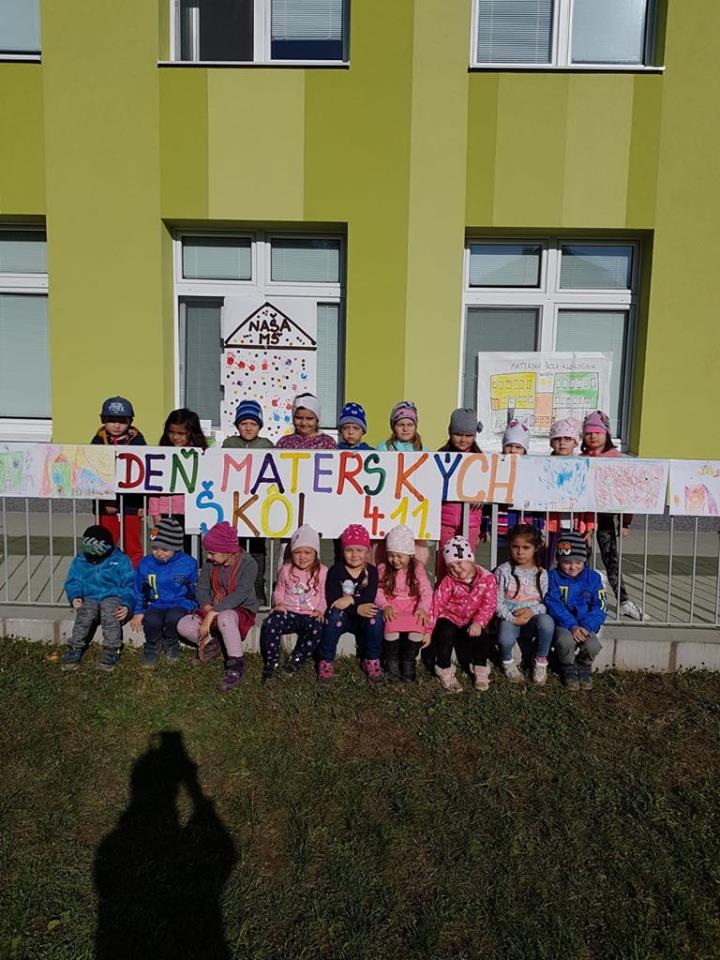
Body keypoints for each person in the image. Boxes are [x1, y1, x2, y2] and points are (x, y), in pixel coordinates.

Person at [579, 410, 645, 621]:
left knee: (611, 561)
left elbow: (625, 492)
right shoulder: (580, 459)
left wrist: (625, 521)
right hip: (583, 520)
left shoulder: (616, 459)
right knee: (582, 561)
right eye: (588, 432)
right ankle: (583, 600)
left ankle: (624, 601)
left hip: (606, 519)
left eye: (597, 432)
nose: (593, 436)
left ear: (606, 434)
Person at [178, 522, 258, 693]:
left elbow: (240, 594)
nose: (209, 556)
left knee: (225, 617)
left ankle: (236, 665)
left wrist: (213, 613)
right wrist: (207, 607)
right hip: (214, 608)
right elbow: (202, 588)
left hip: (240, 609)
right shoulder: (211, 563)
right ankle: (213, 645)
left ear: (228, 551)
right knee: (183, 625)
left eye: (213, 553)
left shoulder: (248, 564)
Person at [317, 524, 384, 687]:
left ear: (367, 552)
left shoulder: (372, 571)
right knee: (333, 614)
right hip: (343, 617)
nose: (354, 555)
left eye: (359, 550)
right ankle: (326, 661)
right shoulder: (336, 570)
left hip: (363, 616)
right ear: (342, 551)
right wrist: (356, 607)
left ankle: (372, 660)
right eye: (349, 550)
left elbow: (369, 597)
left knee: (376, 615)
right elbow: (333, 600)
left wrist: (350, 600)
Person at [427, 535, 497, 693]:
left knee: (482, 637)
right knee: (445, 634)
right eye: (451, 566)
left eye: (459, 563)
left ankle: (480, 668)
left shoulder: (487, 579)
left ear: (471, 560)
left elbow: (489, 604)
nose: (456, 569)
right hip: (450, 616)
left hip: (472, 619)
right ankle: (444, 669)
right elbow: (437, 603)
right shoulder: (449, 581)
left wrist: (478, 622)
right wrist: (428, 630)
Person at [61, 525, 135, 673]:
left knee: (111, 613)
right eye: (90, 558)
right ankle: (75, 646)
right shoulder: (80, 560)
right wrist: (75, 596)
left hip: (113, 595)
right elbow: (73, 581)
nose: (93, 561)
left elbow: (129, 584)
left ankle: (111, 648)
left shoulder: (121, 560)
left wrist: (127, 604)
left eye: (97, 558)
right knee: (85, 614)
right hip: (90, 596)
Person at [259, 524, 327, 682]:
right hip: (288, 613)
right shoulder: (285, 569)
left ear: (315, 553)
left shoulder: (323, 571)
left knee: (317, 628)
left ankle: (297, 660)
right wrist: (279, 603)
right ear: (291, 552)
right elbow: (279, 590)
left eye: (307, 552)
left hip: (310, 615)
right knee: (271, 623)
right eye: (297, 552)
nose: (302, 557)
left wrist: (320, 610)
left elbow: (324, 595)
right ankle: (271, 663)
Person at [222, 400, 274, 605]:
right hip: (234, 505)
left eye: (253, 423)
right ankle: (234, 590)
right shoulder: (229, 444)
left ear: (260, 426)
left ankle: (258, 590)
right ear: (237, 425)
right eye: (243, 423)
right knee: (234, 549)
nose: (248, 427)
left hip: (258, 507)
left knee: (258, 550)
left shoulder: (266, 445)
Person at [130, 518, 198, 668]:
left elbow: (194, 589)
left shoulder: (188, 563)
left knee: (174, 617)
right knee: (151, 620)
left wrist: (196, 607)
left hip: (180, 603)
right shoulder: (146, 563)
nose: (159, 553)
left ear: (176, 548)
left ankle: (171, 642)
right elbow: (139, 589)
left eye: (165, 550)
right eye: (155, 548)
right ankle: (152, 645)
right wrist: (139, 611)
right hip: (155, 603)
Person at [545, 531, 606, 692]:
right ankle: (568, 666)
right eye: (567, 562)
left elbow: (600, 606)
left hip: (585, 625)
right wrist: (571, 625)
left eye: (578, 562)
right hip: (563, 624)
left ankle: (583, 664)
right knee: (565, 641)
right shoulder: (552, 577)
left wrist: (586, 626)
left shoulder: (593, 578)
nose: (573, 567)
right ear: (559, 560)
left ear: (584, 560)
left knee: (593, 646)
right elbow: (553, 604)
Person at [493, 523, 553, 686]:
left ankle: (540, 662)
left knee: (547, 623)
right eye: (515, 547)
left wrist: (532, 611)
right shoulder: (503, 571)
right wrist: (512, 619)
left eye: (526, 547)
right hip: (510, 618)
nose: (520, 552)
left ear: (536, 547)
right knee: (505, 639)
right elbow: (497, 601)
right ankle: (507, 661)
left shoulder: (542, 574)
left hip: (532, 619)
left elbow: (545, 603)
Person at [91, 396, 146, 568]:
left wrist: (143, 502)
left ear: (130, 421)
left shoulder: (138, 441)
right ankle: (105, 574)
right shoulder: (97, 441)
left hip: (132, 502)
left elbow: (144, 473)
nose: (117, 425)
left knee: (133, 544)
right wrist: (107, 499)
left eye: (122, 421)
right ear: (103, 420)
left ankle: (134, 575)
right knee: (105, 542)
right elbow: (94, 474)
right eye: (112, 420)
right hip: (105, 502)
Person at [375, 524, 432, 682]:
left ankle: (408, 662)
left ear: (410, 555)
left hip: (412, 606)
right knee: (390, 624)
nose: (395, 560)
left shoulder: (417, 568)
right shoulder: (383, 568)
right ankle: (392, 662)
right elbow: (378, 591)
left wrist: (422, 608)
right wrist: (385, 605)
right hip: (392, 605)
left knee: (417, 624)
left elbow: (426, 591)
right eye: (391, 555)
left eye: (400, 556)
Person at [148, 408, 209, 554]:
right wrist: (155, 514)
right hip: (166, 511)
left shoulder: (202, 456)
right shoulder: (161, 455)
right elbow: (154, 485)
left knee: (192, 548)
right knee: (165, 549)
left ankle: (193, 568)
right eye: (171, 432)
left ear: (192, 432)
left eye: (181, 433)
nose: (175, 437)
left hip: (192, 509)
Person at [436, 408, 483, 580]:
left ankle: (464, 593)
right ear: (450, 433)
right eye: (458, 434)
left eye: (468, 435)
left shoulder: (480, 458)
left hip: (471, 520)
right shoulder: (441, 456)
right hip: (445, 520)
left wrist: (483, 497)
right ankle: (442, 591)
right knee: (444, 562)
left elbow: (488, 485)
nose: (463, 439)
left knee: (466, 564)